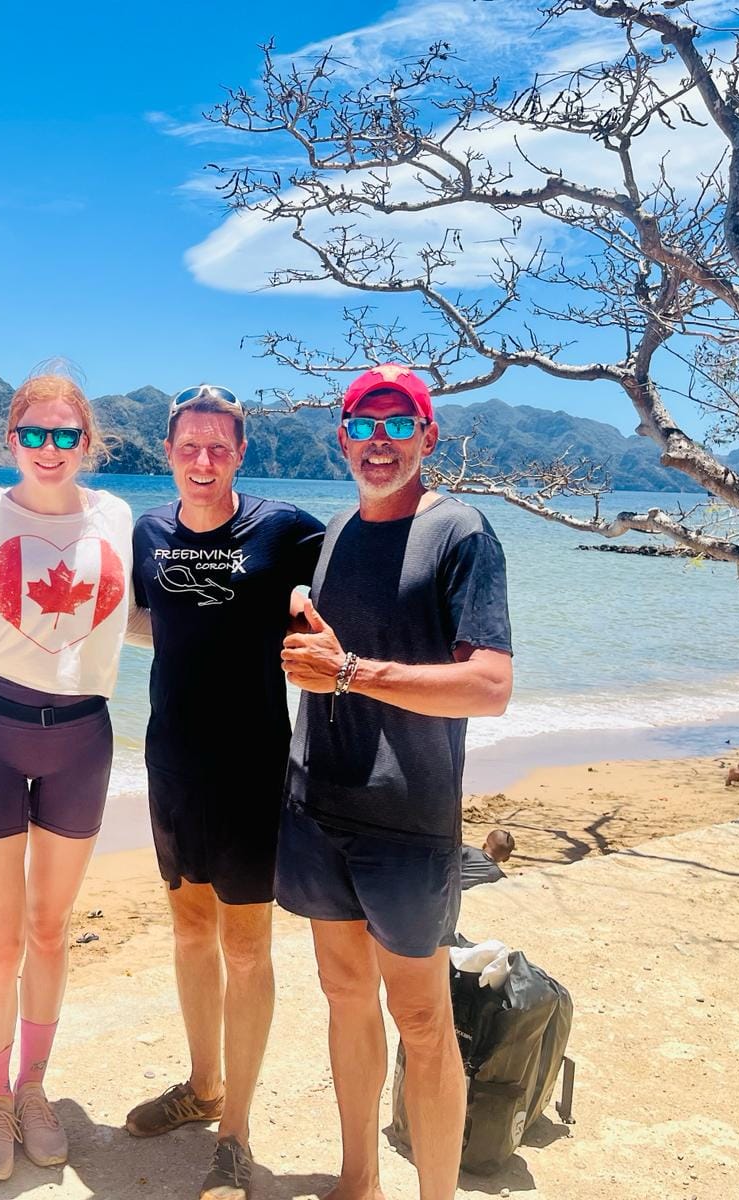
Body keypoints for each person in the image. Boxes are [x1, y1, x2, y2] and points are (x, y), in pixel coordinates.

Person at [277, 363, 514, 1200]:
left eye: (398, 423)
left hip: (408, 821)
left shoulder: (462, 533)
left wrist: (348, 672)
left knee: (422, 1020)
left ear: (427, 436)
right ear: (342, 437)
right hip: (316, 806)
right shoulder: (337, 531)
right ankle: (357, 1182)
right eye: (364, 424)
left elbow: (489, 686)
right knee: (344, 998)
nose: (380, 440)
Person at [123, 383, 324, 1200]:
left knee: (247, 948)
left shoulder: (287, 530)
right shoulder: (148, 531)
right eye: (188, 446)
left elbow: (346, 603)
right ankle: (202, 1087)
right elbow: (134, 619)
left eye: (219, 446)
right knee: (188, 931)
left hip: (252, 769)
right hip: (171, 762)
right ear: (168, 452)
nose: (203, 460)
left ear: (240, 453)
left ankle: (235, 1134)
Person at [0, 370, 132, 1181]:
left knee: (51, 928)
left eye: (67, 436)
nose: (51, 449)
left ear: (87, 443)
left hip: (82, 737)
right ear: (11, 439)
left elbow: (142, 615)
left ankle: (34, 1090)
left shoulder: (118, 518)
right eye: (35, 434)